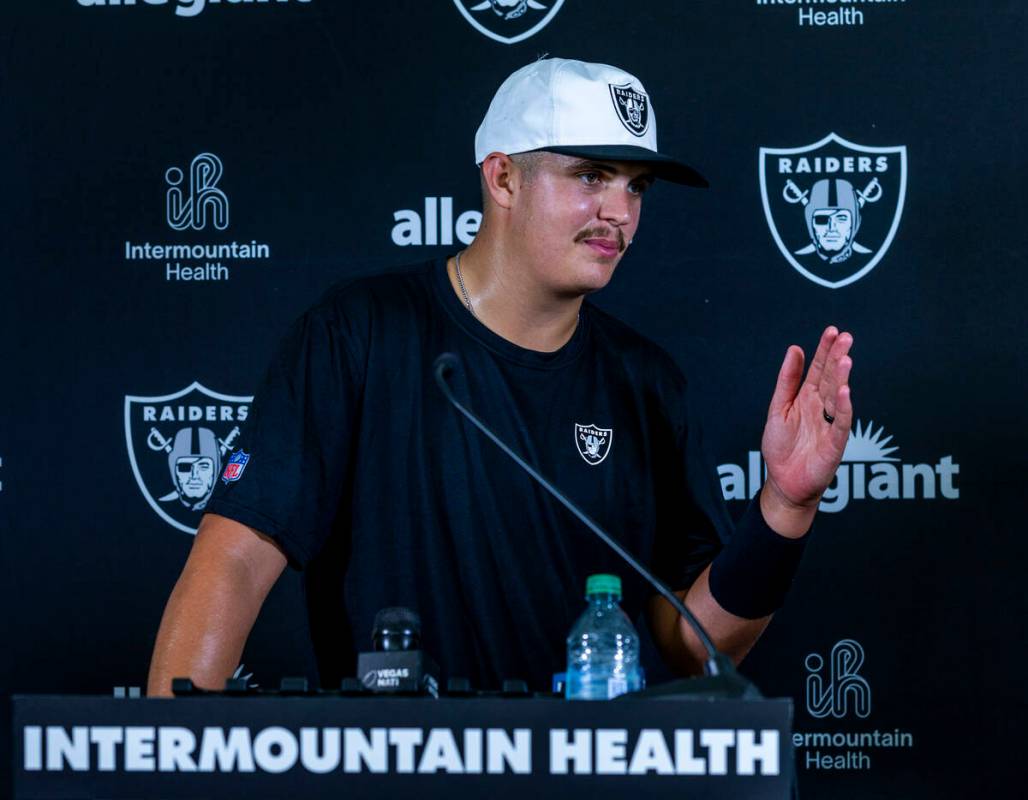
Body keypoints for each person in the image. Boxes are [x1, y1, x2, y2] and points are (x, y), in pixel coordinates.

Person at [147, 58, 854, 696]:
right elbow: (234, 563)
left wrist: (785, 510)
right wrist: (165, 764)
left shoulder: (647, 383)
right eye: (590, 176)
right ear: (503, 177)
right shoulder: (357, 333)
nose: (620, 213)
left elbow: (694, 644)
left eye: (636, 187)